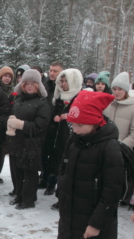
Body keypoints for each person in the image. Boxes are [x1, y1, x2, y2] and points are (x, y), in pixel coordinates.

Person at [33, 90, 124, 239]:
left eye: (79, 125)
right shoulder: (75, 139)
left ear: (94, 122)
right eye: (72, 125)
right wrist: (63, 187)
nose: (74, 129)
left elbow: (113, 191)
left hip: (93, 216)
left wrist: (97, 222)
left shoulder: (110, 148)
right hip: (71, 210)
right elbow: (63, 166)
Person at [4, 69, 50, 209]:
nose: (29, 86)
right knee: (17, 171)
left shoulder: (42, 103)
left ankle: (29, 199)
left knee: (29, 173)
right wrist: (11, 121)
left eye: (33, 83)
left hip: (31, 143)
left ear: (38, 85)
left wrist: (22, 125)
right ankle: (19, 194)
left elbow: (41, 125)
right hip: (17, 141)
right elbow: (12, 114)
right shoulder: (18, 100)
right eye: (26, 83)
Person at [43, 68, 83, 205]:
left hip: (72, 138)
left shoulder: (80, 97)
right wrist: (55, 116)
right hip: (57, 136)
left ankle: (64, 197)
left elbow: (84, 119)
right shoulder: (59, 96)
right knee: (57, 164)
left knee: (69, 168)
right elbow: (53, 110)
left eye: (67, 81)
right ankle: (53, 186)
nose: (64, 84)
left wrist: (70, 117)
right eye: (63, 81)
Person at [39, 61, 64, 191]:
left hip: (57, 125)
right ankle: (44, 177)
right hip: (45, 123)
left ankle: (52, 180)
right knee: (44, 153)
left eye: (55, 71)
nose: (52, 73)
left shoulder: (63, 86)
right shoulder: (45, 85)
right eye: (51, 70)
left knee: (55, 156)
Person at [103, 72, 134, 149]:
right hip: (103, 147)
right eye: (114, 89)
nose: (116, 92)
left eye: (120, 89)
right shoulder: (107, 104)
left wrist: (121, 146)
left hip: (121, 150)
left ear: (125, 90)